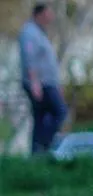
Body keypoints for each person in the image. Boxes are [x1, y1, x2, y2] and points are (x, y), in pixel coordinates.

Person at [19, 4, 67, 154]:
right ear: (39, 14)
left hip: (48, 83)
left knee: (40, 118)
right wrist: (34, 83)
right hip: (41, 83)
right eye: (48, 14)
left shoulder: (41, 33)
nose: (51, 17)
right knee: (60, 112)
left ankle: (37, 153)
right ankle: (44, 143)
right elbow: (30, 59)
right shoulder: (29, 32)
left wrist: (57, 84)